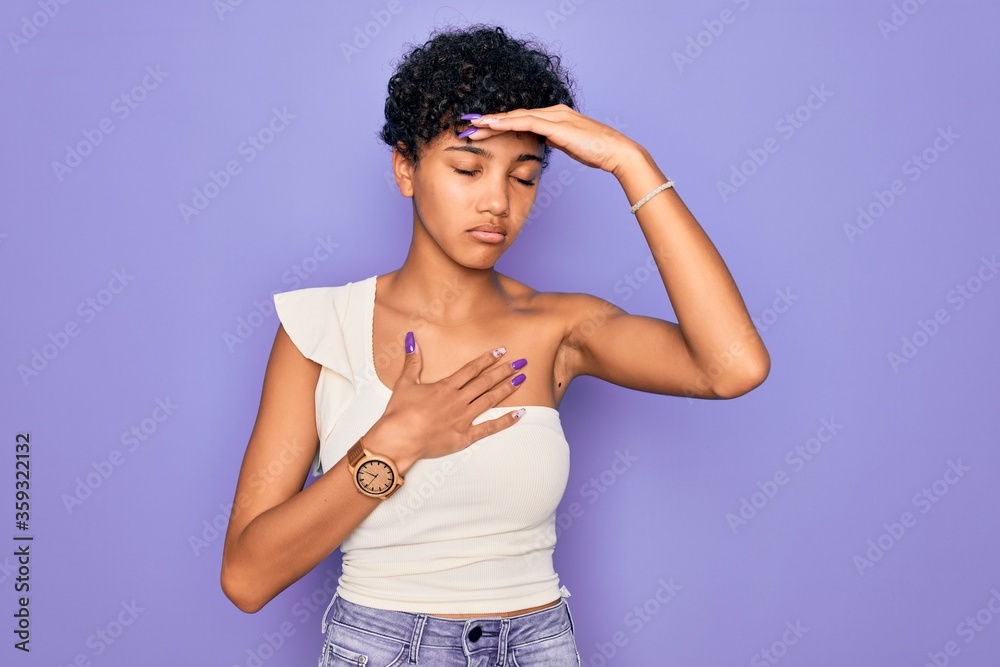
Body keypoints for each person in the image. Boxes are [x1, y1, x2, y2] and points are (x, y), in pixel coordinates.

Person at [221, 23, 770, 666]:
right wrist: (394, 444)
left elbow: (733, 367)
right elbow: (247, 577)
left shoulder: (560, 328)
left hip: (538, 647)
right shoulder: (320, 328)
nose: (497, 202)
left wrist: (629, 161)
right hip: (384, 650)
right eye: (466, 167)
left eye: (525, 176)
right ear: (406, 167)